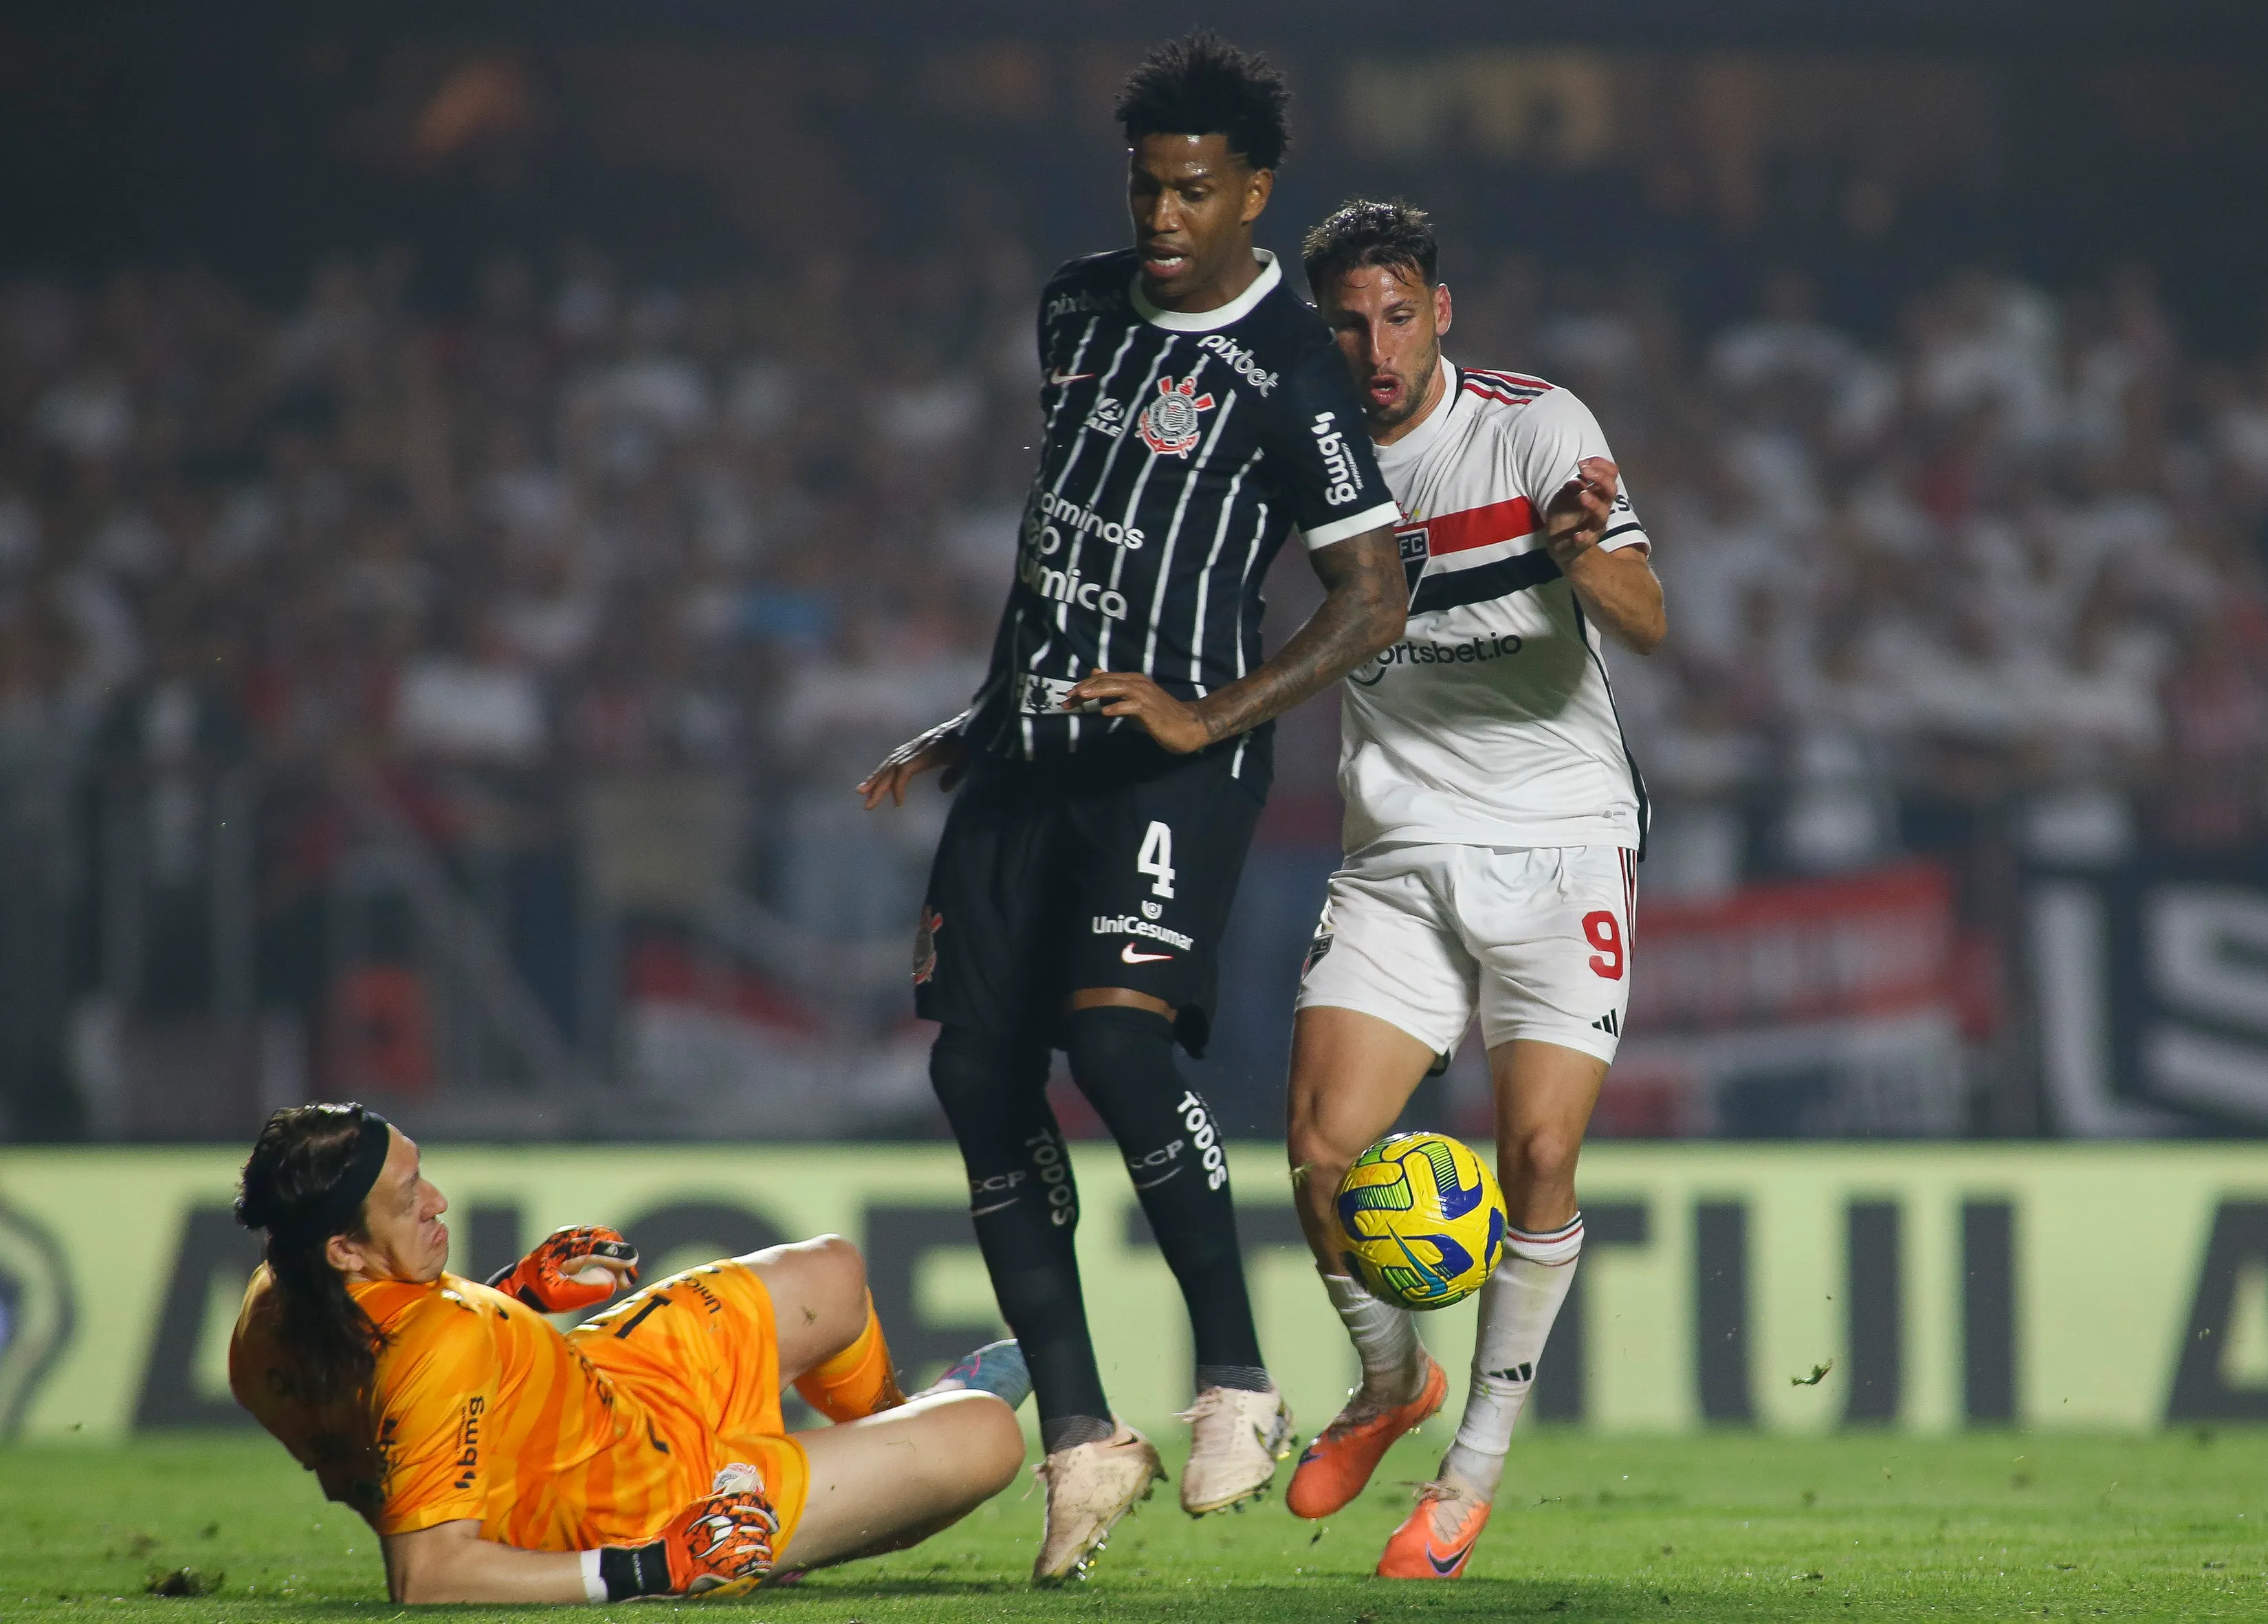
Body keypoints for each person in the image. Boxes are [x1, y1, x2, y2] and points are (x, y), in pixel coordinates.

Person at [857, 35, 1405, 1585]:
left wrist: (1207, 710)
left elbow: (1371, 594)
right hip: (1029, 751)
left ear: (1253, 193)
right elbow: (1064, 538)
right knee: (976, 1068)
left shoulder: (1293, 362)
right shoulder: (1077, 304)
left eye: (1191, 190)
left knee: (1111, 1036)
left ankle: (1235, 1372)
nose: (1162, 216)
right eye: (1144, 186)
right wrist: (979, 708)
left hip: (1175, 758)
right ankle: (1084, 1433)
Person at [1280, 199, 1667, 1579]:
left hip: (1561, 841)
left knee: (1539, 1163)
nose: (1373, 346)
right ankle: (1390, 1382)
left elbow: (1646, 616)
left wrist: (1578, 556)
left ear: (1440, 312)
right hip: (1393, 850)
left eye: (1397, 315)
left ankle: (1469, 1477)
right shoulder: (1306, 452)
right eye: (1347, 322)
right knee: (1322, 1153)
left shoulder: (1534, 425)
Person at [226, 1103, 1029, 1603]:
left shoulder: (273, 1307)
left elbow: (407, 1392)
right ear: (342, 1249)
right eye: (408, 1198)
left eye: (421, 1174)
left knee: (836, 1271)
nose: (437, 1201)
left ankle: (888, 1449)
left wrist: (517, 1296)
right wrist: (651, 1568)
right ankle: (863, 1488)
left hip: (614, 1386)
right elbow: (428, 1577)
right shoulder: (430, 1349)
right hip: (649, 1504)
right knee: (989, 1434)